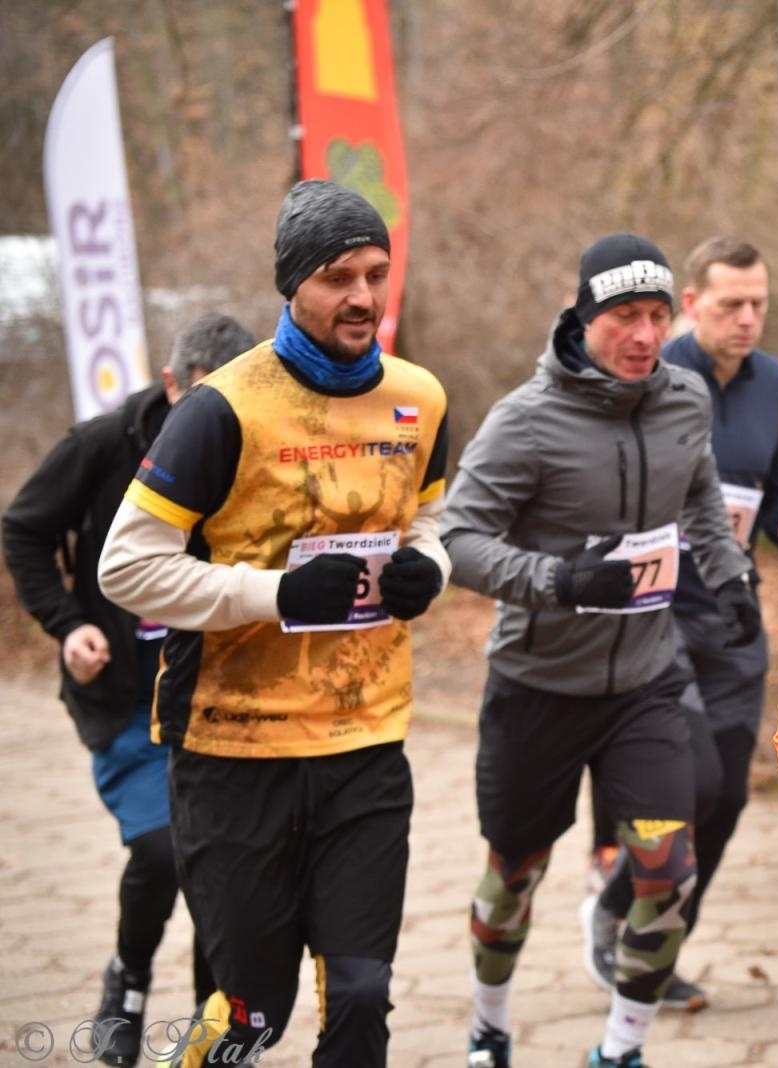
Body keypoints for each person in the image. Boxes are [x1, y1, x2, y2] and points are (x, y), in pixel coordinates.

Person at [97, 179, 450, 1066]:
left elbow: (435, 522)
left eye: (376, 273)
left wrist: (430, 569)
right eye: (338, 276)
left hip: (365, 744)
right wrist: (273, 595)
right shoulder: (222, 408)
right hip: (232, 754)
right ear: (292, 285)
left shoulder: (420, 400)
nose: (363, 297)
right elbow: (126, 567)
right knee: (253, 1009)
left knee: (363, 995)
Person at [440, 232, 758, 1068]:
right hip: (537, 685)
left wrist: (730, 581)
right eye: (624, 317)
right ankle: (489, 1023)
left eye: (657, 316)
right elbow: (459, 540)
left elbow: (699, 502)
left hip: (645, 685)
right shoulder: (525, 421)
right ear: (584, 319)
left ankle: (620, 1050)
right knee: (515, 875)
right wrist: (559, 579)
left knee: (668, 870)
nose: (645, 336)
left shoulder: (685, 398)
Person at [2, 312, 251, 1066]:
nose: (215, 424)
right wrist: (68, 623)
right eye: (201, 403)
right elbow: (23, 529)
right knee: (161, 850)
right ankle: (129, 979)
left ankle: (217, 1029)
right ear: (171, 384)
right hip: (121, 699)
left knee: (221, 866)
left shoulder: (254, 445)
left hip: (218, 699)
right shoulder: (101, 445)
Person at [581, 236, 778, 1011]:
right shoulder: (649, 376)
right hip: (653, 614)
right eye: (731, 305)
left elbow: (774, 488)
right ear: (693, 304)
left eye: (759, 304)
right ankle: (618, 904)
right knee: (691, 782)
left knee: (727, 800)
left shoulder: (776, 383)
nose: (749, 319)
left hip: (730, 612)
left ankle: (661, 945)